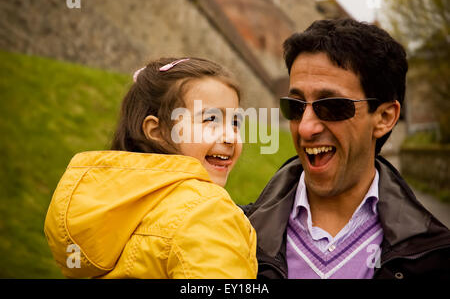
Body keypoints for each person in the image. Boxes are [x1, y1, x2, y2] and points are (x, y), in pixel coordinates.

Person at [242, 18, 450, 279]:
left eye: (331, 106)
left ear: (384, 118)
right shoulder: (235, 234)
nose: (306, 128)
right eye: (294, 106)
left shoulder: (435, 256)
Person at [44, 57, 257, 279]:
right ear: (157, 131)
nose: (231, 137)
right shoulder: (206, 210)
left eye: (235, 122)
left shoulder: (114, 206)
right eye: (210, 119)